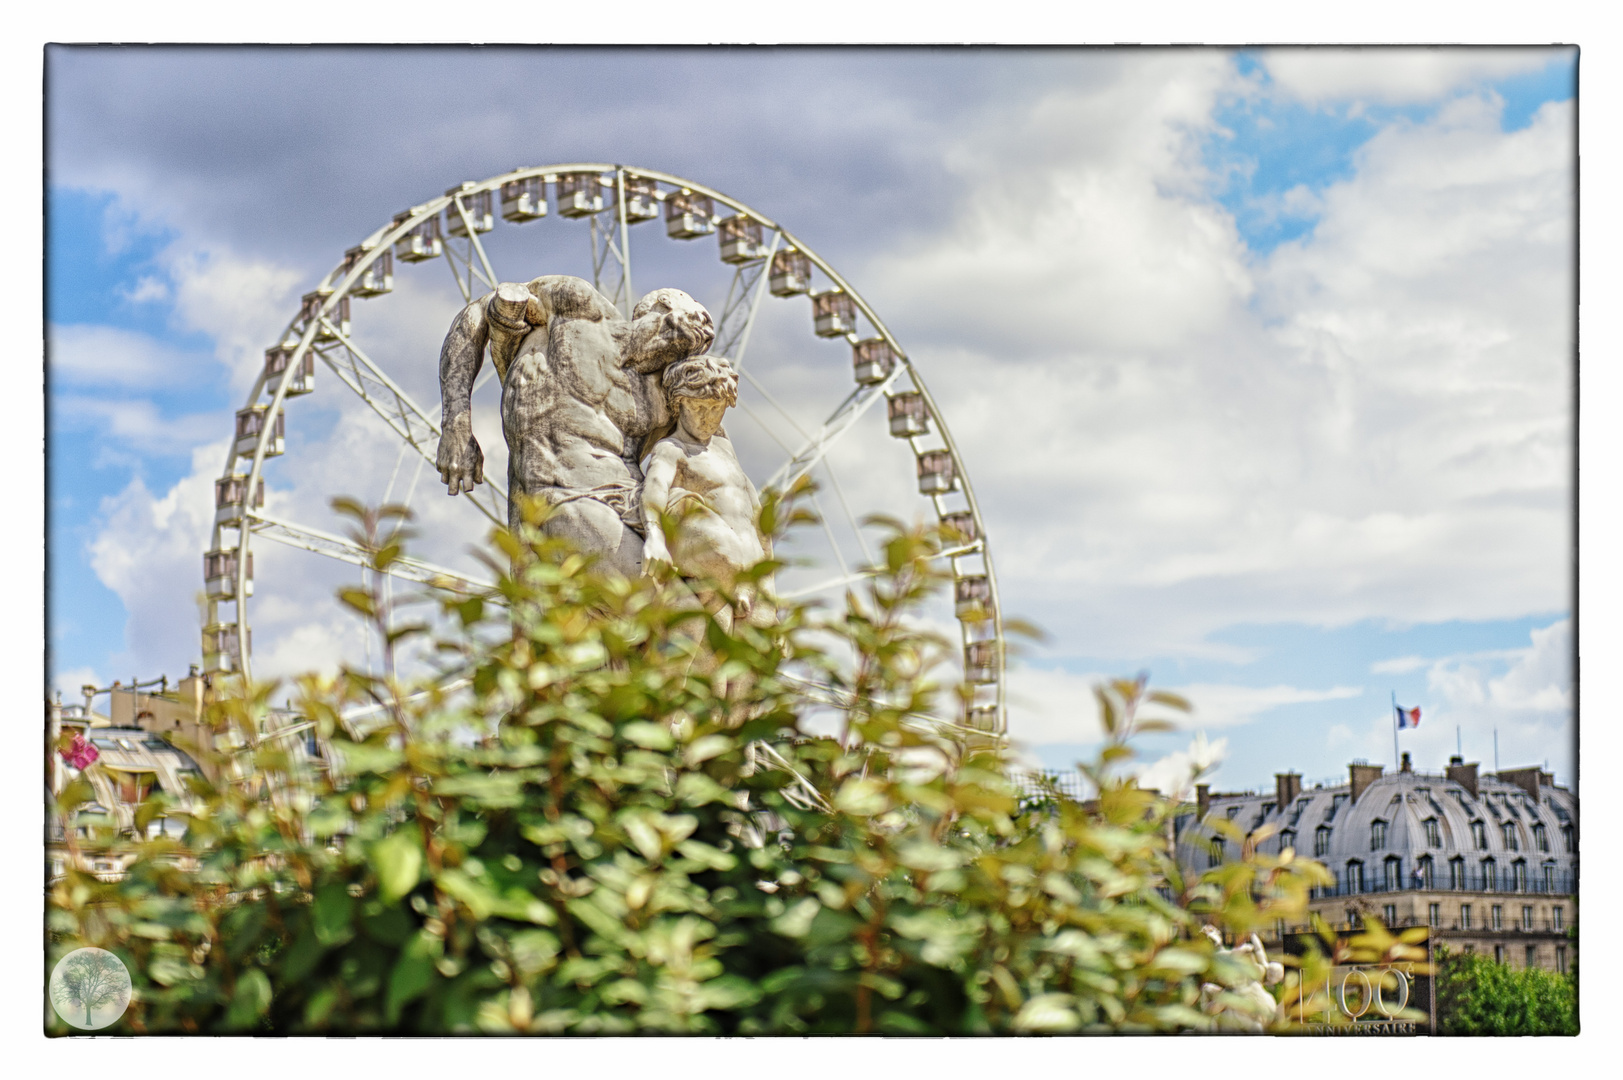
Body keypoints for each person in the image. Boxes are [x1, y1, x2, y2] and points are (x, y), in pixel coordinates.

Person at [435, 276, 715, 576]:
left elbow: (699, 460)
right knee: (669, 609)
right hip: (561, 496)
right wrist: (456, 423)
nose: (698, 335)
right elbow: (477, 314)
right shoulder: (578, 306)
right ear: (656, 309)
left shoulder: (665, 394)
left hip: (631, 502)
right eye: (691, 319)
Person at [640, 353, 773, 628]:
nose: (708, 418)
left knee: (758, 666)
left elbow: (756, 517)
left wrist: (771, 591)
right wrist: (653, 534)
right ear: (679, 403)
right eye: (699, 408)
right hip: (714, 582)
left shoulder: (725, 449)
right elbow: (656, 488)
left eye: (717, 408)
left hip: (753, 581)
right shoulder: (672, 449)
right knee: (713, 667)